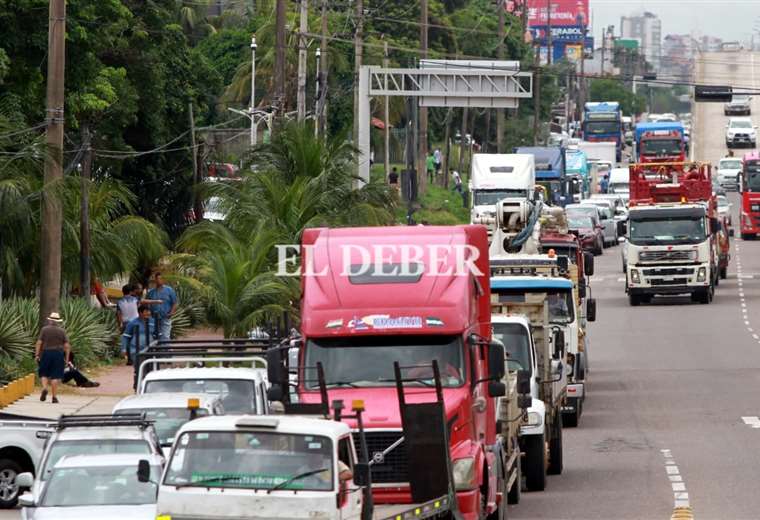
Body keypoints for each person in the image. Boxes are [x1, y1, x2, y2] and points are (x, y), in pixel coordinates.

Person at [35, 312, 71, 404]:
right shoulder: (62, 331)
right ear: (58, 321)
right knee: (55, 376)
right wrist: (67, 359)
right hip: (58, 354)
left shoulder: (44, 330)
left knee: (44, 373)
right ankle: (54, 397)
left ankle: (44, 388)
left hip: (46, 353)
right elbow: (67, 346)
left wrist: (37, 355)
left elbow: (39, 343)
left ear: (50, 320)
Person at [147, 272, 177, 342]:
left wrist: (171, 313)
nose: (158, 280)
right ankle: (157, 352)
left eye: (160, 278)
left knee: (165, 336)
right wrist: (149, 314)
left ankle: (166, 352)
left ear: (163, 280)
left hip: (165, 317)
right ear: (155, 280)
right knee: (155, 337)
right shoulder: (151, 292)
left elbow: (174, 303)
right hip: (154, 318)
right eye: (157, 279)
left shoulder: (169, 290)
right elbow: (147, 303)